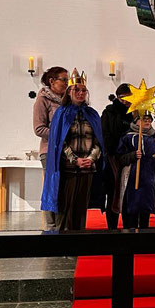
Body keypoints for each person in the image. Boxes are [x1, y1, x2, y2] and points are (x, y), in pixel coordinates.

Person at [41, 69, 104, 231]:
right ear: (69, 92)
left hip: (87, 169)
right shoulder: (61, 113)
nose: (80, 93)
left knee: (81, 210)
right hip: (68, 169)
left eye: (83, 90)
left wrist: (90, 158)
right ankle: (64, 244)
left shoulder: (92, 114)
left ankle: (78, 242)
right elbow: (59, 142)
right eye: (76, 89)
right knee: (65, 208)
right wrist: (75, 159)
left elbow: (98, 141)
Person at [33, 66, 68, 230]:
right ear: (52, 81)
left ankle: (62, 225)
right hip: (50, 151)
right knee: (52, 187)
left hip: (66, 151)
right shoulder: (43, 99)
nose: (67, 84)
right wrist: (60, 134)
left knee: (64, 189)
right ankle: (50, 226)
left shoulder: (67, 101)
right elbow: (39, 129)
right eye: (64, 80)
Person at [117, 112, 155, 229]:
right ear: (136, 121)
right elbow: (120, 158)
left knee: (145, 207)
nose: (147, 122)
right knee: (131, 206)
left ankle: (144, 232)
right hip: (132, 178)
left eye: (149, 120)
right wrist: (132, 155)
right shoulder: (127, 137)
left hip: (149, 178)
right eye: (144, 120)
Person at [101, 84, 134, 229]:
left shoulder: (135, 112)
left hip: (130, 156)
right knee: (113, 192)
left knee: (128, 193)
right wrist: (113, 150)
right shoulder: (109, 112)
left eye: (129, 97)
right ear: (118, 97)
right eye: (123, 97)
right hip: (113, 157)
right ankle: (112, 228)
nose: (126, 101)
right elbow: (105, 133)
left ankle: (128, 226)